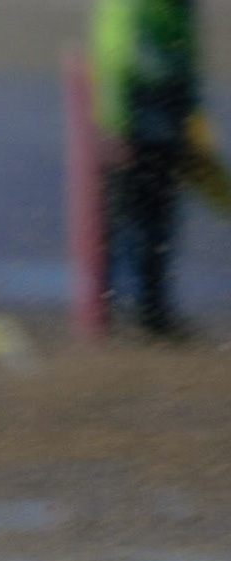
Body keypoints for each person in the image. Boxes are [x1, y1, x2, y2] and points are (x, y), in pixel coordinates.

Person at [89, 0, 226, 336]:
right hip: (138, 123)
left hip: (169, 121)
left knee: (158, 222)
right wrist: (116, 125)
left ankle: (152, 313)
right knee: (125, 219)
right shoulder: (132, 7)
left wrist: (191, 117)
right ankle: (106, 313)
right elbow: (116, 60)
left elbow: (186, 58)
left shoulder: (179, 7)